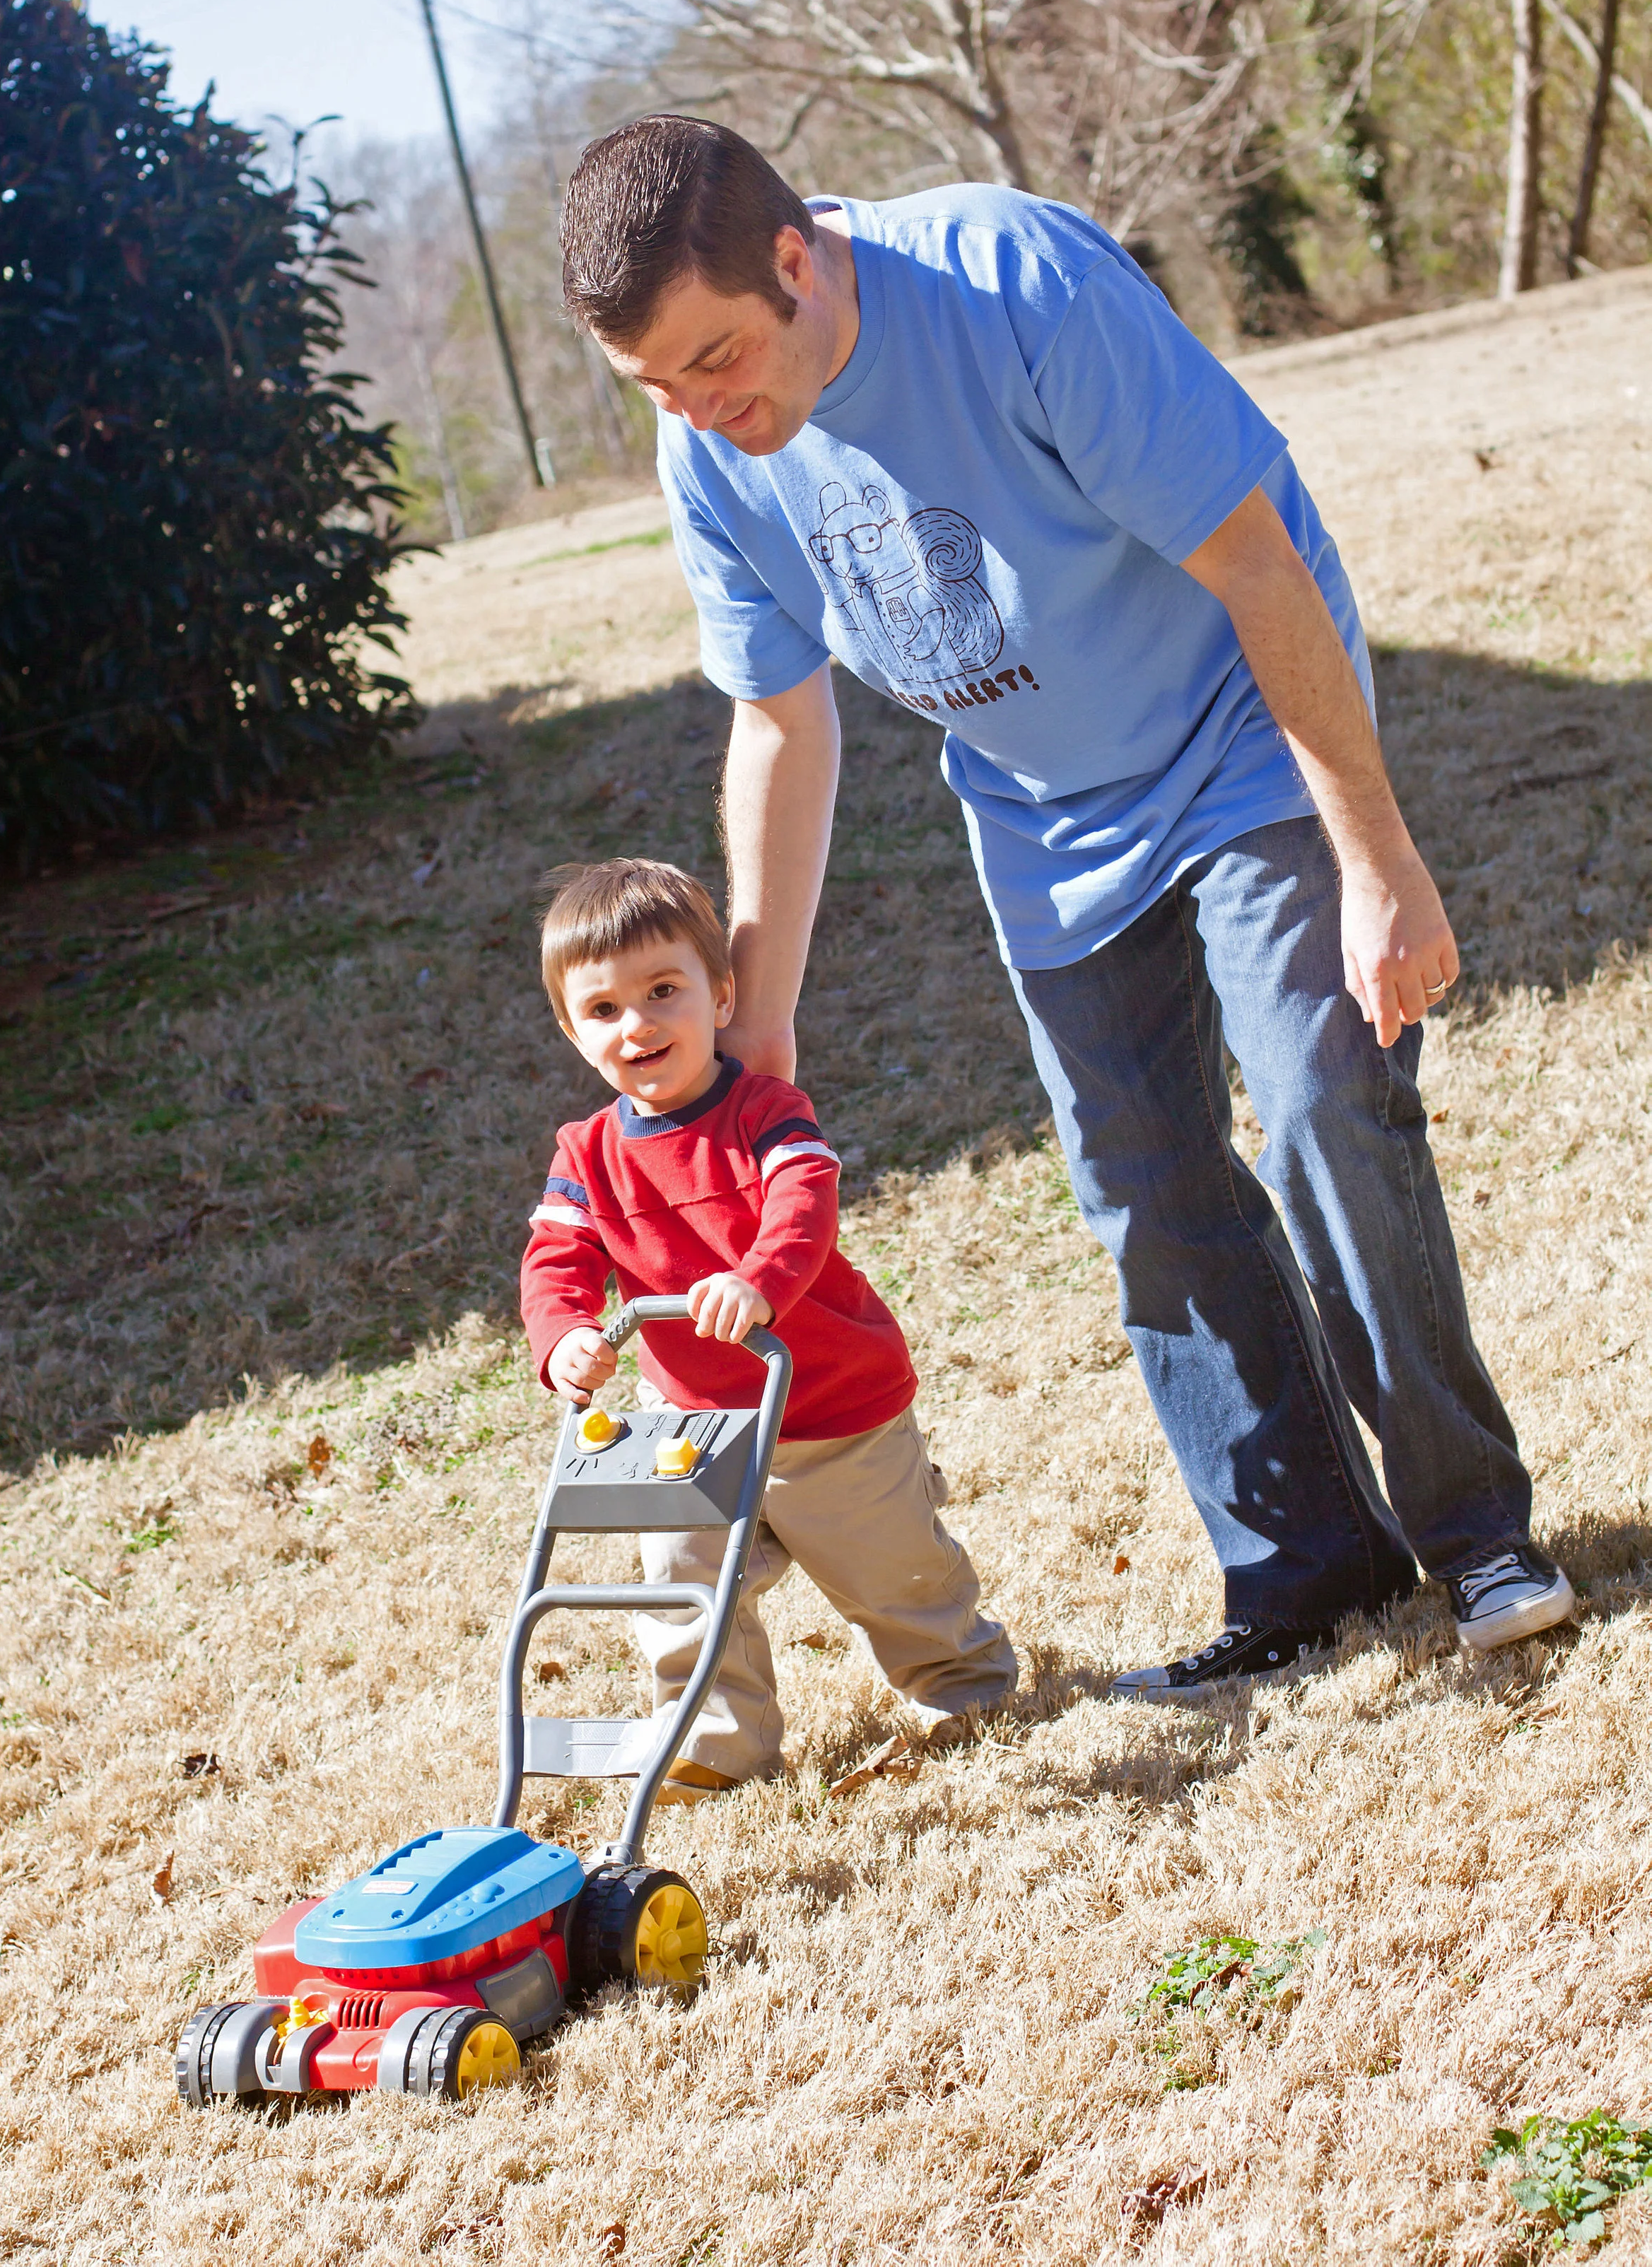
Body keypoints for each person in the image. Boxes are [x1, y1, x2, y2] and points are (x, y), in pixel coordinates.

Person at [553, 114, 1577, 1703]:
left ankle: (1474, 1535)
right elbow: (780, 718)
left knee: (1318, 1109)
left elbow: (1252, 561)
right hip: (1043, 807)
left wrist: (1372, 858)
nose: (698, 410)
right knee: (1142, 1185)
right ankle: (1302, 1568)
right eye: (657, 388)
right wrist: (756, 1011)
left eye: (716, 358)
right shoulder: (708, 451)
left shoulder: (1007, 283)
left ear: (790, 257)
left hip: (1240, 734)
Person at [520, 856, 1016, 1791]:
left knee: (893, 1572)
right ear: (571, 1028)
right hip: (695, 1426)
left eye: (663, 991)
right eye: (605, 1010)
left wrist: (758, 1282)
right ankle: (715, 1736)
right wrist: (564, 1336)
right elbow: (557, 1261)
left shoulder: (766, 1112)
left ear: (721, 995)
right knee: (681, 1585)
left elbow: (803, 1206)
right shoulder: (584, 1156)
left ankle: (962, 1681)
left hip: (833, 1410)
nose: (638, 1025)